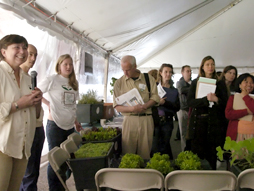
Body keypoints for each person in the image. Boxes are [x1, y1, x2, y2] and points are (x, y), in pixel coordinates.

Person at [0, 34, 42, 191]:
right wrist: (18, 104)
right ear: (3, 52)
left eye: (24, 47)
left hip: (22, 145)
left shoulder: (26, 78)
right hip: (3, 145)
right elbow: (19, 105)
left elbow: (35, 115)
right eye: (16, 47)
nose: (22, 51)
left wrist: (36, 103)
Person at [38, 54, 82, 191]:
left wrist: (76, 121)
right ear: (59, 66)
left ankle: (61, 186)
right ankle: (54, 188)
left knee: (66, 159)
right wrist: (48, 104)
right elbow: (36, 92)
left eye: (70, 64)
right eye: (65, 64)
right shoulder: (52, 79)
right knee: (55, 160)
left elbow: (71, 106)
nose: (68, 67)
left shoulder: (74, 83)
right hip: (55, 125)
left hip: (69, 126)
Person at [113, 55, 160, 160]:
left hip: (146, 119)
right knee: (128, 154)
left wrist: (145, 106)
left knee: (145, 153)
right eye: (123, 70)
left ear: (135, 66)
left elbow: (155, 97)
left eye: (128, 70)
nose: (125, 73)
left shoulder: (148, 79)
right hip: (129, 120)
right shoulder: (119, 83)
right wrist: (133, 109)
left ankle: (144, 174)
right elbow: (117, 106)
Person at [187, 55, 226, 170]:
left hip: (214, 123)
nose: (210, 67)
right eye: (208, 64)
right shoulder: (195, 82)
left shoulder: (220, 84)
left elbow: (225, 103)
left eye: (212, 64)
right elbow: (190, 102)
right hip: (198, 122)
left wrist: (216, 100)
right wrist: (205, 100)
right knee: (197, 153)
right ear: (202, 67)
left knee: (212, 153)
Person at [19, 44, 45, 191]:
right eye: (30, 54)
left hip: (37, 128)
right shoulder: (13, 79)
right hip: (25, 130)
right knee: (27, 174)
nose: (33, 58)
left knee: (33, 172)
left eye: (35, 55)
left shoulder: (30, 79)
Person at [156, 63, 180, 159]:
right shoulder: (155, 87)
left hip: (168, 120)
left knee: (165, 145)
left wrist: (164, 103)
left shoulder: (174, 90)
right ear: (161, 73)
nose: (168, 74)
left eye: (170, 72)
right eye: (166, 72)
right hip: (155, 120)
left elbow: (177, 107)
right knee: (156, 145)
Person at [225, 73, 254, 141]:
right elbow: (228, 114)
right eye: (246, 82)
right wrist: (246, 111)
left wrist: (245, 96)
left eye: (252, 82)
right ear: (240, 85)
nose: (249, 84)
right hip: (237, 134)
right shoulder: (233, 98)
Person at [217, 65, 238, 141]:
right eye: (230, 73)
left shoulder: (235, 87)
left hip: (230, 114)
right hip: (220, 113)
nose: (232, 75)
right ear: (224, 73)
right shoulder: (218, 85)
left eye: (234, 73)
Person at [176, 65, 192, 151]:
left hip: (191, 110)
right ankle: (184, 151)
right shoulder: (179, 83)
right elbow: (182, 90)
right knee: (183, 132)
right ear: (182, 73)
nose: (189, 73)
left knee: (191, 132)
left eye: (190, 71)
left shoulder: (192, 83)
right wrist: (193, 89)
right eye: (187, 71)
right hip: (182, 109)